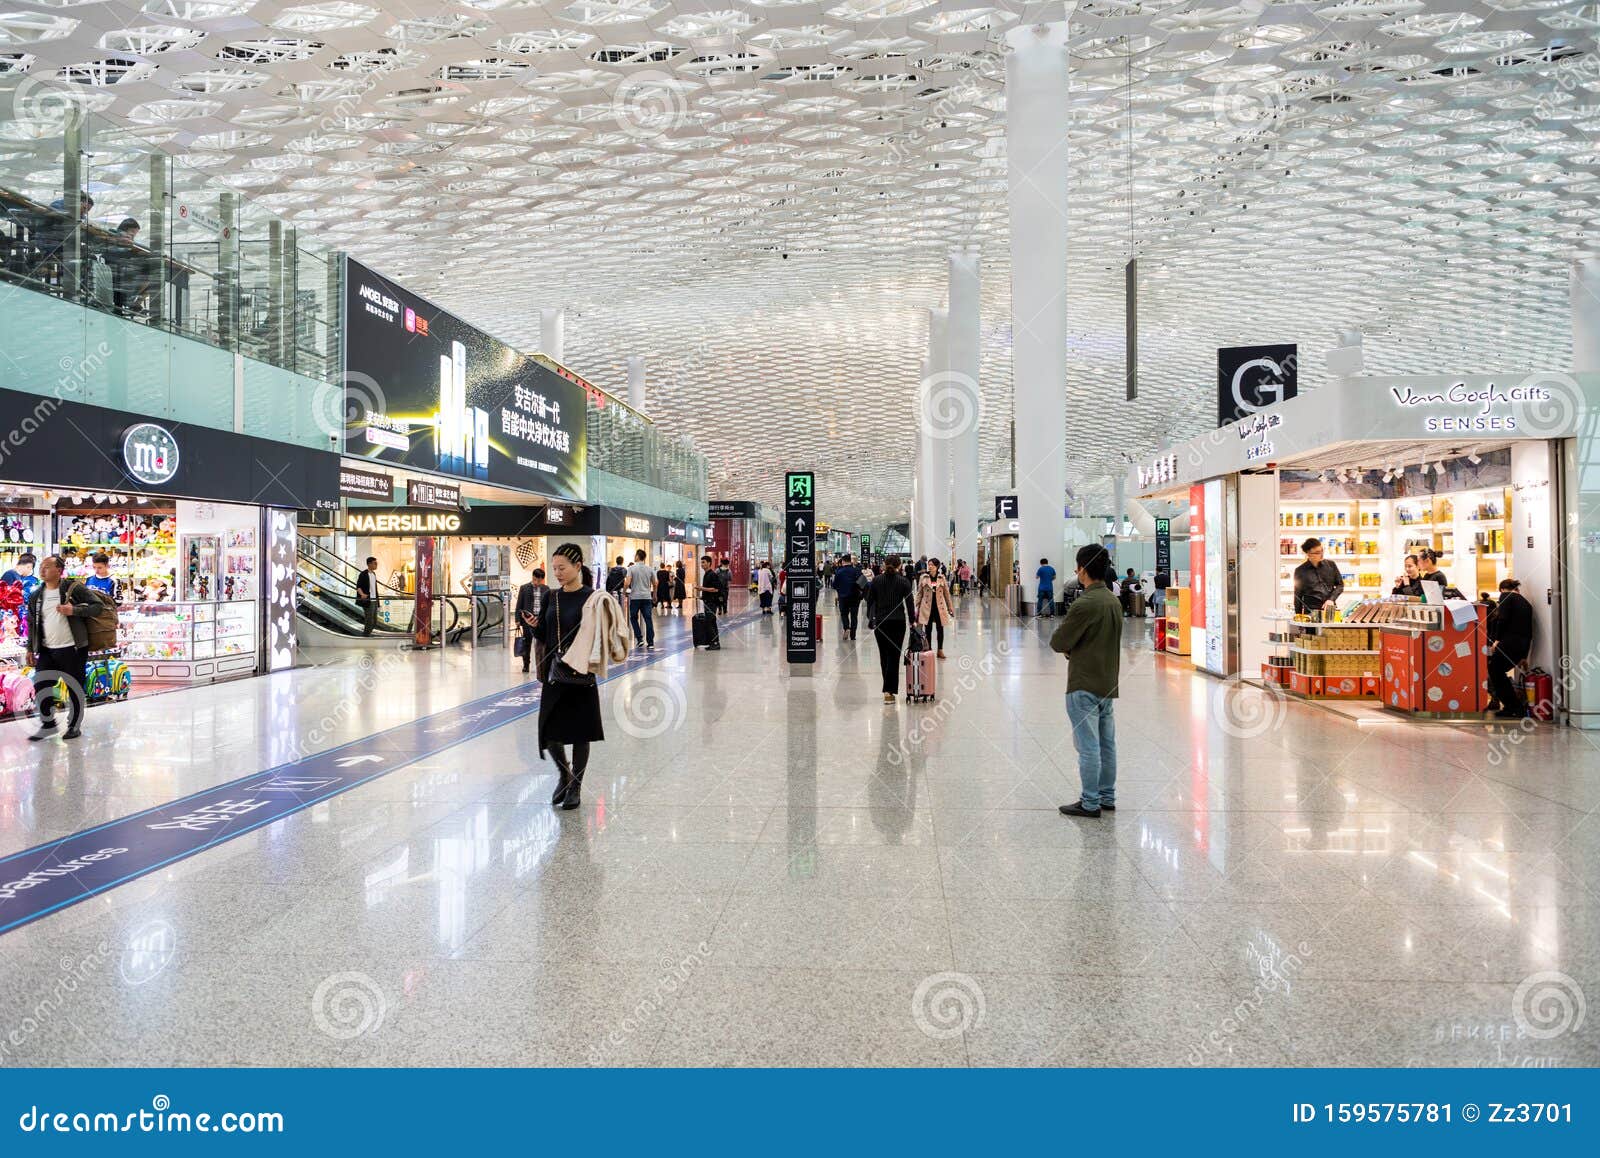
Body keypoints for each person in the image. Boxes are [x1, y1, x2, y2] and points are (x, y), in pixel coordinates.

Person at [532, 543, 629, 809]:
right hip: (555, 671)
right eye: (554, 569)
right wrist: (533, 627)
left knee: (580, 733)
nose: (557, 573)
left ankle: (575, 785)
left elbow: (604, 633)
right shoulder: (552, 597)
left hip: (581, 673)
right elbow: (544, 634)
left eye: (562, 568)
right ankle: (564, 774)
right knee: (549, 732)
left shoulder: (593, 598)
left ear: (577, 566)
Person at [1053, 545, 1123, 818]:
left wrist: (1071, 649)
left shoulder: (1085, 604)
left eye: (1077, 566)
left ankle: (1090, 802)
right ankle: (1107, 796)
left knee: (1088, 747)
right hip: (1107, 682)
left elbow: (1059, 641)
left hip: (1083, 684)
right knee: (1107, 744)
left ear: (1082, 569)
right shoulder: (1113, 601)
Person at [25, 555, 99, 741]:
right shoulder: (36, 595)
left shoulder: (74, 588)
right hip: (47, 649)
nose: (42, 570)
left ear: (59, 570)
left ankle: (74, 726)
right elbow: (32, 623)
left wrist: (74, 610)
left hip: (72, 648)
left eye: (47, 567)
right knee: (41, 685)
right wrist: (30, 648)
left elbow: (97, 606)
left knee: (74, 688)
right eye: (41, 566)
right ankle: (48, 724)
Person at [865, 555, 915, 703]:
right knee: (894, 655)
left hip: (881, 622)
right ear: (899, 566)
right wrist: (912, 621)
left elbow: (870, 601)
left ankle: (887, 691)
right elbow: (910, 603)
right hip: (898, 622)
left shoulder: (876, 580)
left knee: (884, 655)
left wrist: (871, 618)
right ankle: (889, 691)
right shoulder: (904, 581)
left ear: (884, 564)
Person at [1486, 578, 1534, 720]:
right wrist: (1524, 655)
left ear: (1502, 589)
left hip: (1509, 643)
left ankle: (1513, 707)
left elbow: (1502, 619)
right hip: (1521, 645)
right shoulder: (1526, 603)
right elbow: (1529, 630)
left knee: (1494, 670)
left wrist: (1497, 640)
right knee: (1498, 671)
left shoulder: (1506, 596)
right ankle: (1513, 706)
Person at [1293, 538, 1344, 615]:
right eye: (1317, 552)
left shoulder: (1331, 565)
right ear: (1308, 554)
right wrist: (1298, 616)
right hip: (1311, 612)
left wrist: (1331, 599)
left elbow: (1340, 585)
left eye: (1322, 550)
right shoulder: (1300, 571)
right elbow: (1298, 596)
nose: (1321, 554)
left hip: (1330, 610)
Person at [916, 560, 954, 659]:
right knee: (928, 629)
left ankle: (940, 650)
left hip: (939, 607)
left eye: (932, 565)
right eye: (929, 565)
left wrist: (950, 607)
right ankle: (928, 649)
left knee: (940, 629)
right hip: (926, 607)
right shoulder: (923, 577)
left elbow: (946, 594)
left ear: (937, 566)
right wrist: (916, 606)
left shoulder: (941, 578)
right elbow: (919, 593)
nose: (930, 566)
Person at [514, 566, 548, 676]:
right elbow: (519, 604)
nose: (537, 582)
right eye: (535, 579)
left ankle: (542, 664)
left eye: (539, 580)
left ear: (542, 579)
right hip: (528, 620)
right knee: (527, 643)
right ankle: (526, 664)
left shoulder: (546, 589)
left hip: (541, 620)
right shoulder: (524, 588)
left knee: (541, 643)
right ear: (532, 577)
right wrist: (517, 619)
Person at [625, 548, 656, 651]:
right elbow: (655, 583)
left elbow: (627, 582)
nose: (634, 557)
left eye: (635, 555)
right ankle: (650, 643)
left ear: (638, 556)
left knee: (633, 618)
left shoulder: (631, 568)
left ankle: (639, 638)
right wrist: (654, 595)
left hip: (635, 597)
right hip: (647, 597)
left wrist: (624, 591)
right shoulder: (649, 569)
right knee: (648, 619)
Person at [832, 552, 863, 640]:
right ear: (850, 561)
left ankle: (846, 628)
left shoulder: (839, 572)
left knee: (844, 614)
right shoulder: (857, 570)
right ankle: (853, 635)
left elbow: (834, 585)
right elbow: (863, 584)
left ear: (843, 561)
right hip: (855, 597)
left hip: (843, 597)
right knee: (854, 616)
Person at [697, 555, 727, 641]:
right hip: (707, 601)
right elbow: (709, 589)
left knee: (710, 622)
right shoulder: (706, 574)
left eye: (703, 562)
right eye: (701, 562)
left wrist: (701, 588)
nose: (702, 564)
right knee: (711, 622)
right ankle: (713, 641)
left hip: (712, 602)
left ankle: (714, 642)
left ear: (709, 563)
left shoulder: (712, 574)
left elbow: (715, 589)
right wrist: (702, 596)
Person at [355, 555, 380, 635]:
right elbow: (358, 586)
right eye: (375, 563)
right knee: (369, 620)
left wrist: (378, 601)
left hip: (374, 600)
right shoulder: (363, 574)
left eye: (376, 563)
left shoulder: (374, 574)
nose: (376, 565)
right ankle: (366, 635)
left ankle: (367, 634)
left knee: (374, 620)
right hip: (368, 600)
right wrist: (362, 594)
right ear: (369, 564)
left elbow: (374, 588)